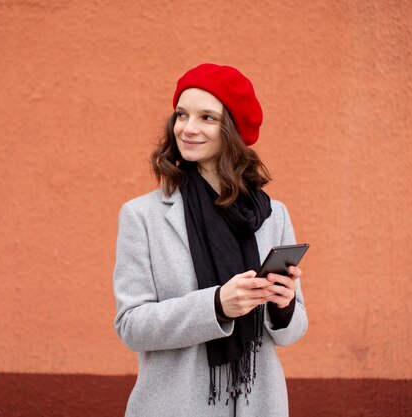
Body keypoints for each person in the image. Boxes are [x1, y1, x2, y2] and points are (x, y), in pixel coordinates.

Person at [113, 63, 308, 417]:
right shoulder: (142, 215)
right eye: (181, 115)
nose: (187, 128)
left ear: (232, 130)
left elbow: (291, 333)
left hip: (258, 405)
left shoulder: (273, 215)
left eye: (207, 118)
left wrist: (284, 306)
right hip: (175, 405)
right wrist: (216, 305)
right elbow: (131, 327)